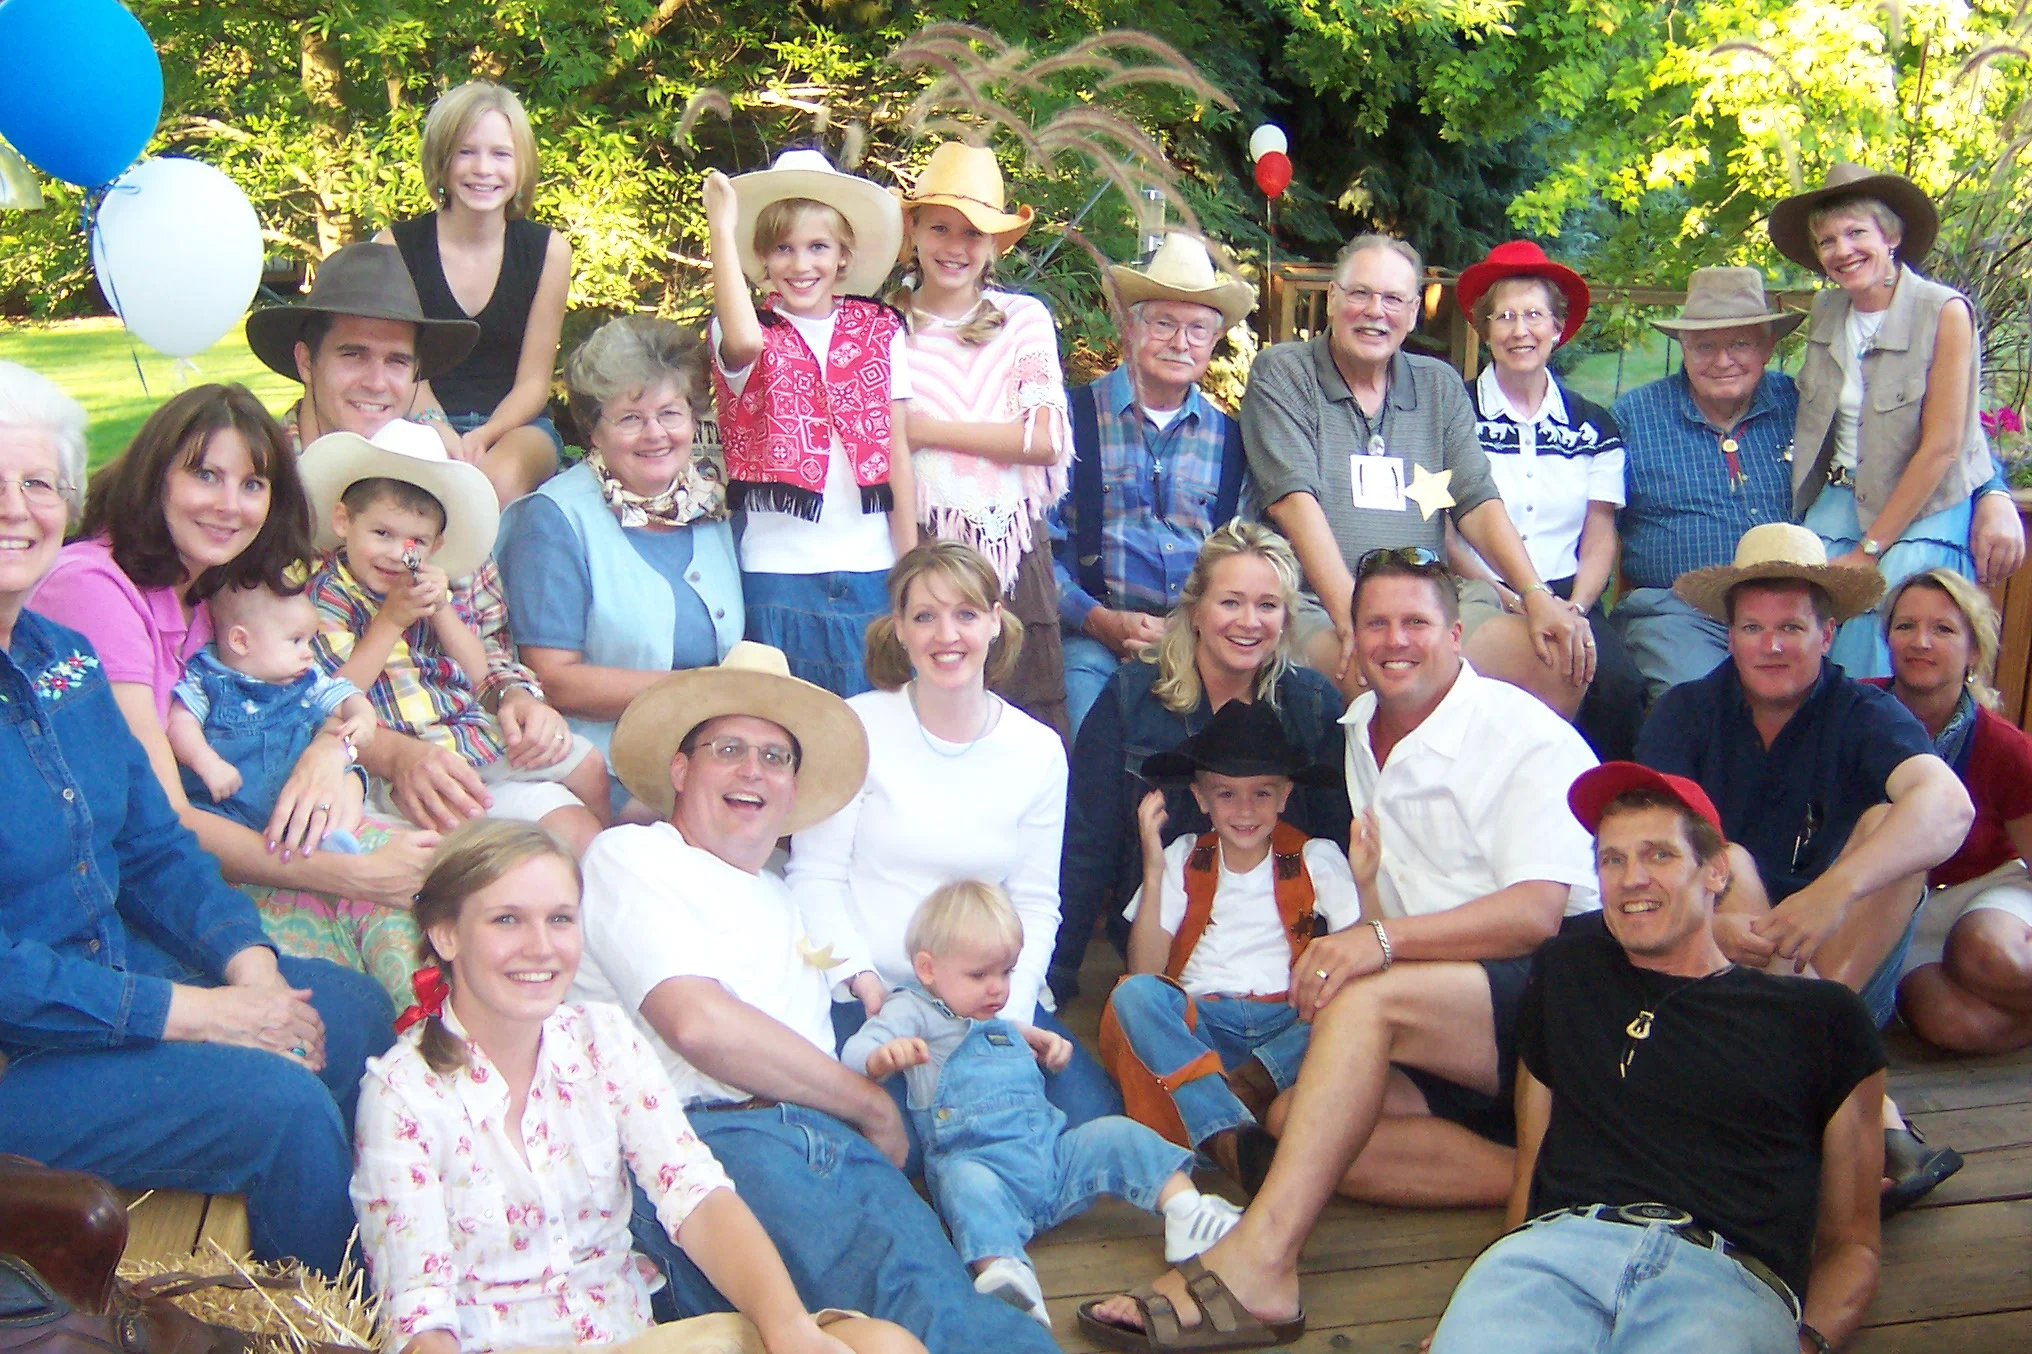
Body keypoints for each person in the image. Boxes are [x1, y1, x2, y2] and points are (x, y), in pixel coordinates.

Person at [1072, 548, 1600, 1352]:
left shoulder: (1523, 733)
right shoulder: (1355, 730)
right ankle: (1562, 1179)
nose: (1396, 641)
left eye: (1417, 622)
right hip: (1437, 1013)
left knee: (1361, 996)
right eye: (1376, 623)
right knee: (1296, 1121)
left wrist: (1377, 941)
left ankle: (1262, 1266)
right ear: (1349, 641)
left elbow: (1537, 915)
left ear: (1457, 634)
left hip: (1550, 996)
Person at [0, 360, 393, 1276]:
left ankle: (320, 1255)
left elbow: (152, 840)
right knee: (283, 1110)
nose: (15, 509)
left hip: (105, 967)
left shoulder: (58, 660)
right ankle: (331, 1317)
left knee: (347, 1007)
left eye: (35, 484)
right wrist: (200, 1013)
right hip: (21, 1053)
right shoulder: (84, 608)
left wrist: (252, 971)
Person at [568, 642, 1061, 1354]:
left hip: (821, 1143)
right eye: (728, 747)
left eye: (776, 757)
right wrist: (866, 1106)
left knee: (944, 1309)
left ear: (794, 788)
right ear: (681, 768)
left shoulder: (782, 898)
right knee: (943, 1322)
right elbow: (699, 1025)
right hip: (710, 1144)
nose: (753, 771)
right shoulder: (635, 856)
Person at [353, 818, 925, 1354]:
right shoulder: (402, 1094)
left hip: (633, 1338)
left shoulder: (601, 1037)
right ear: (446, 935)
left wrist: (790, 1329)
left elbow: (695, 1195)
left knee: (883, 1345)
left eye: (560, 918)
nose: (541, 946)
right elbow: (420, 1317)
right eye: (507, 919)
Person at [1424, 763, 1884, 1354]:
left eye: (1659, 856)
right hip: (1551, 1260)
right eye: (1612, 860)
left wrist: (1807, 1342)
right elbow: (1532, 1173)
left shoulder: (1818, 1017)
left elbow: (1854, 1244)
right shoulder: (1567, 974)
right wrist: (1485, 1292)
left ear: (1715, 870)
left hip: (1723, 1281)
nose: (1631, 879)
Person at [28, 381, 436, 1003]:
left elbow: (309, 704)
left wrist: (335, 759)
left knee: (442, 908)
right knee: (366, 972)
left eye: (252, 484)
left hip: (241, 841)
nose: (229, 505)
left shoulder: (206, 594)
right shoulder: (94, 589)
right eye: (205, 476)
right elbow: (164, 820)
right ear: (156, 478)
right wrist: (351, 875)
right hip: (118, 892)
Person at [1637, 523, 1975, 1213]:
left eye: (1790, 627)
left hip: (1845, 957)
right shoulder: (1682, 714)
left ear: (1827, 634)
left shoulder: (1865, 713)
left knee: (1893, 824)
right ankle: (1865, 1113)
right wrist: (1715, 930)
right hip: (1717, 968)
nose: (1770, 646)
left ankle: (1811, 1071)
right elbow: (1647, 850)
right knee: (1724, 859)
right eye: (1753, 627)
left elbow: (1951, 808)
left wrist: (1834, 891)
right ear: (1727, 635)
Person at [246, 240, 581, 839]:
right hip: (318, 767)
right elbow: (260, 680)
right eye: (353, 354)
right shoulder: (260, 489)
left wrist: (515, 696)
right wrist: (391, 755)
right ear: (305, 360)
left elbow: (488, 637)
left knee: (574, 834)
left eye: (398, 361)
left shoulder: (439, 481)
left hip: (458, 740)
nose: (378, 381)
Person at [789, 541, 1117, 1149]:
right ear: (899, 630)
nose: (948, 634)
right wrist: (861, 979)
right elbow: (814, 877)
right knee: (900, 1138)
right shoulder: (854, 727)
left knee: (1085, 1121)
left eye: (966, 613)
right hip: (876, 997)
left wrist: (1012, 1006)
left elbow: (1037, 899)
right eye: (925, 616)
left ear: (996, 621)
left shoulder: (1037, 749)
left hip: (986, 998)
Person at [1609, 267, 2023, 701]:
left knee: (1832, 703)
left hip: (1792, 617)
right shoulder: (1635, 417)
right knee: (1700, 702)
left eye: (1740, 343)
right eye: (1704, 346)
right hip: (1680, 613)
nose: (1722, 360)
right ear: (1683, 347)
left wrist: (1991, 491)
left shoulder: (1802, 404)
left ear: (1768, 346)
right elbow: (1585, 514)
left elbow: (1925, 438)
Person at [841, 880, 1237, 1330]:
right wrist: (881, 1057)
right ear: (928, 969)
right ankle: (1006, 1270)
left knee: (1114, 1132)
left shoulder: (997, 1020)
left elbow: (1010, 1034)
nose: (997, 989)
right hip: (985, 1170)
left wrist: (1044, 1040)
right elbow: (852, 1055)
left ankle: (1186, 1212)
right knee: (962, 1183)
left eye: (1006, 972)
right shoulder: (912, 1010)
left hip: (1052, 1160)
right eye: (979, 976)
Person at [1240, 232, 1594, 712]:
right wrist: (1357, 621)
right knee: (1380, 679)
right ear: (1332, 300)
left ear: (1412, 313)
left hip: (1432, 605)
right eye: (1360, 293)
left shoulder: (1437, 385)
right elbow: (1293, 503)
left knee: (1557, 659)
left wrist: (1534, 595)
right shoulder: (1284, 373)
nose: (1375, 311)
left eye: (1393, 299)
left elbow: (1476, 500)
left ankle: (1492, 788)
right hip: (1316, 605)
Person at [1049, 522, 1350, 1004]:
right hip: (1167, 945)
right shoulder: (1131, 696)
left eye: (1267, 605)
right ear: (1194, 611)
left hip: (1281, 959)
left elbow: (1339, 839)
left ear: (1286, 619)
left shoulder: (1312, 706)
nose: (1248, 621)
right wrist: (1057, 973)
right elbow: (1087, 846)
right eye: (1230, 602)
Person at [300, 421, 609, 854]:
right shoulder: (328, 596)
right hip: (397, 750)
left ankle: (603, 862)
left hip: (467, 732)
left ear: (436, 544)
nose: (396, 553)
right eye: (381, 533)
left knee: (589, 764)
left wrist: (442, 608)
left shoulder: (436, 582)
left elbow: (480, 669)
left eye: (415, 541)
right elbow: (336, 694)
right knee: (469, 832)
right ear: (343, 521)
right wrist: (388, 622)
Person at [1102, 698, 1362, 1188]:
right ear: (1201, 798)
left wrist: (1365, 883)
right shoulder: (1184, 856)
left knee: (1350, 1005)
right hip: (1205, 1023)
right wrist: (1153, 871)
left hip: (1289, 1018)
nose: (1245, 810)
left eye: (1262, 793)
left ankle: (1232, 1099)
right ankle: (1236, 1126)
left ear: (1285, 796)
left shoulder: (1316, 856)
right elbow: (1145, 972)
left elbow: (1353, 954)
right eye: (1226, 794)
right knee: (1132, 998)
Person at [497, 315, 743, 817]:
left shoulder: (711, 507)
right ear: (593, 428)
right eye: (630, 418)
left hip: (710, 766)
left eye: (671, 413)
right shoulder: (553, 519)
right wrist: (703, 692)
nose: (655, 434)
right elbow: (552, 678)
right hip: (601, 774)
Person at [703, 149, 914, 697]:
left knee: (873, 724)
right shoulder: (743, 329)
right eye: (783, 249)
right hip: (780, 574)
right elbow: (745, 342)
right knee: (787, 725)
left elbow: (896, 451)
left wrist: (911, 568)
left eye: (818, 247)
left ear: (843, 256)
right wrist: (721, 233)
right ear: (763, 258)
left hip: (871, 566)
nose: (801, 265)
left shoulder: (880, 329)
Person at [1773, 164, 1997, 678]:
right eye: (1827, 240)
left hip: (1920, 508)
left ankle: (1887, 747)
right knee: (1801, 614)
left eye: (1856, 233)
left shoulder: (1943, 311)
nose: (1842, 250)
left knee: (1890, 613)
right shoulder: (1828, 311)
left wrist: (1871, 549)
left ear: (1891, 236)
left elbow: (1944, 445)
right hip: (1836, 499)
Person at [893, 142, 1072, 737]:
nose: (956, 246)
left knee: (1024, 709)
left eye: (974, 233)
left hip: (1015, 546)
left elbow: (1043, 439)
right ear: (913, 229)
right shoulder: (883, 323)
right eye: (940, 227)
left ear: (995, 245)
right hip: (922, 537)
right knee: (926, 707)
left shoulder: (1022, 317)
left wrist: (925, 432)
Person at [1050, 233, 1257, 736]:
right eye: (1164, 323)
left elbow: (1247, 557)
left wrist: (1201, 630)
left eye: (1198, 330)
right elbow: (1035, 548)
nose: (1180, 342)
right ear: (1129, 326)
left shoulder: (1233, 441)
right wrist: (1096, 618)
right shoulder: (1069, 419)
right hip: (1095, 639)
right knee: (1087, 733)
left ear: (1213, 342)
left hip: (1203, 645)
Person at [1452, 241, 1644, 760]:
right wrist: (1506, 593)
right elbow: (1439, 523)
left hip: (1569, 592)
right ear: (1485, 327)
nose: (1520, 330)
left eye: (1534, 315)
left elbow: (1600, 533)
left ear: (1558, 327)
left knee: (1618, 687)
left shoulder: (1594, 424)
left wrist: (1576, 607)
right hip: (1478, 588)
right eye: (1505, 316)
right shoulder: (1454, 412)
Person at [376, 81, 570, 506]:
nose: (483, 168)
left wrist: (485, 435)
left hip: (516, 429)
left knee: (490, 484)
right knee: (420, 484)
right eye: (466, 152)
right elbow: (398, 367)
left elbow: (535, 381)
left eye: (501, 154)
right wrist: (440, 431)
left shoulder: (548, 252)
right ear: (441, 162)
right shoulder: (394, 247)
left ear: (522, 166)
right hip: (416, 417)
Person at [1879, 571, 2032, 1054]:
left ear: (1973, 650)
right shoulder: (1856, 711)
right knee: (1948, 1023)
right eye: (1906, 626)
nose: (1920, 641)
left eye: (1943, 629)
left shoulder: (2003, 747)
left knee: (1988, 955)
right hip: (1894, 912)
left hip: (1984, 895)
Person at [166, 581, 376, 849]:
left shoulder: (308, 679)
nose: (308, 653)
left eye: (309, 641)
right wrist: (206, 762)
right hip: (230, 803)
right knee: (198, 826)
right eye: (295, 640)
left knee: (351, 780)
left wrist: (363, 718)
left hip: (303, 796)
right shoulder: (207, 679)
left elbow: (348, 697)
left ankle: (332, 838)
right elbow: (180, 723)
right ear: (241, 641)